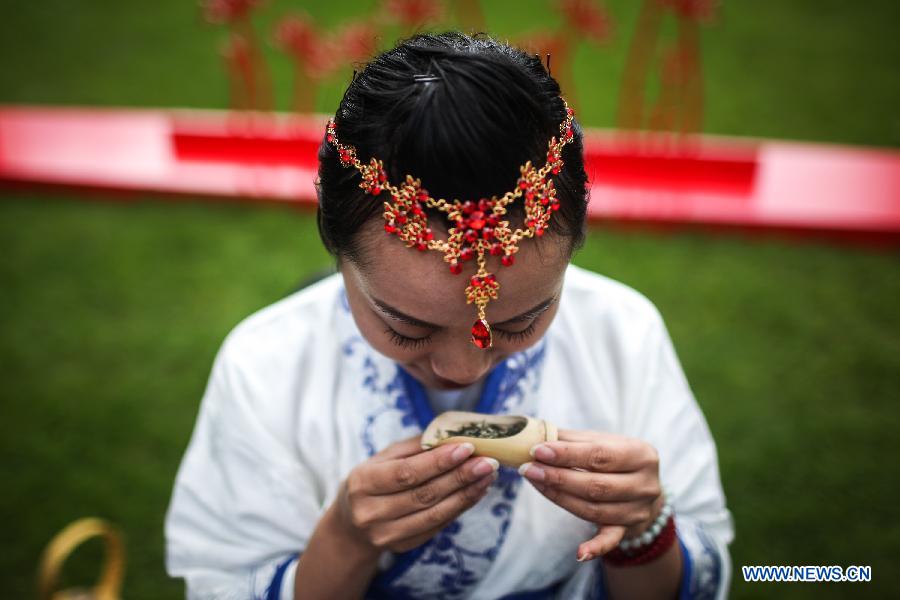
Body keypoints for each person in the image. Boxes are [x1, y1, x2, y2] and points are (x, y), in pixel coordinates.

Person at [165, 31, 733, 600]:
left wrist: (644, 528)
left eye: (519, 323)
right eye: (406, 328)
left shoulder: (621, 336)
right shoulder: (265, 367)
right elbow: (223, 583)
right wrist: (344, 541)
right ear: (336, 249)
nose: (463, 370)